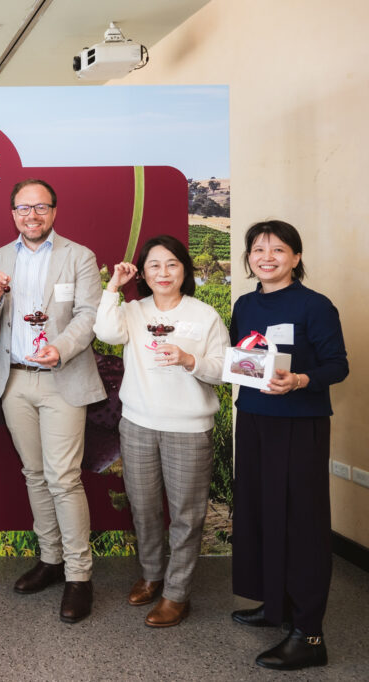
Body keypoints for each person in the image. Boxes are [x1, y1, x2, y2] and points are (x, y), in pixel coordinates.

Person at [0, 178, 106, 623]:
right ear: (12, 212)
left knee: (63, 478)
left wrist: (61, 348)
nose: (31, 215)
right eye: (23, 208)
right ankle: (50, 560)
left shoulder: (79, 256)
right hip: (15, 380)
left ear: (54, 211)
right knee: (34, 473)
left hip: (62, 379)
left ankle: (79, 575)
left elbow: (89, 315)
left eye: (40, 207)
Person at [229, 220, 347, 670]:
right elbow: (243, 357)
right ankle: (275, 604)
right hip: (254, 419)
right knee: (259, 512)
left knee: (302, 524)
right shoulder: (244, 304)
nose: (267, 257)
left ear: (296, 257)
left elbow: (337, 365)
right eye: (258, 249)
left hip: (299, 424)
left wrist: (299, 380)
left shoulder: (315, 305)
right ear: (249, 258)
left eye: (278, 249)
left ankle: (309, 634)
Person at [93, 235, 229, 627]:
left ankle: (176, 593)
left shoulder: (204, 315)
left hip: (188, 429)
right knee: (144, 507)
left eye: (172, 264)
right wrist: (113, 288)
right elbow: (105, 332)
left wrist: (189, 360)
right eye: (154, 265)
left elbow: (222, 370)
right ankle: (152, 574)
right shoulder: (133, 311)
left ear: (184, 269)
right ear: (143, 272)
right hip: (138, 424)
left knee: (186, 515)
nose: (163, 272)